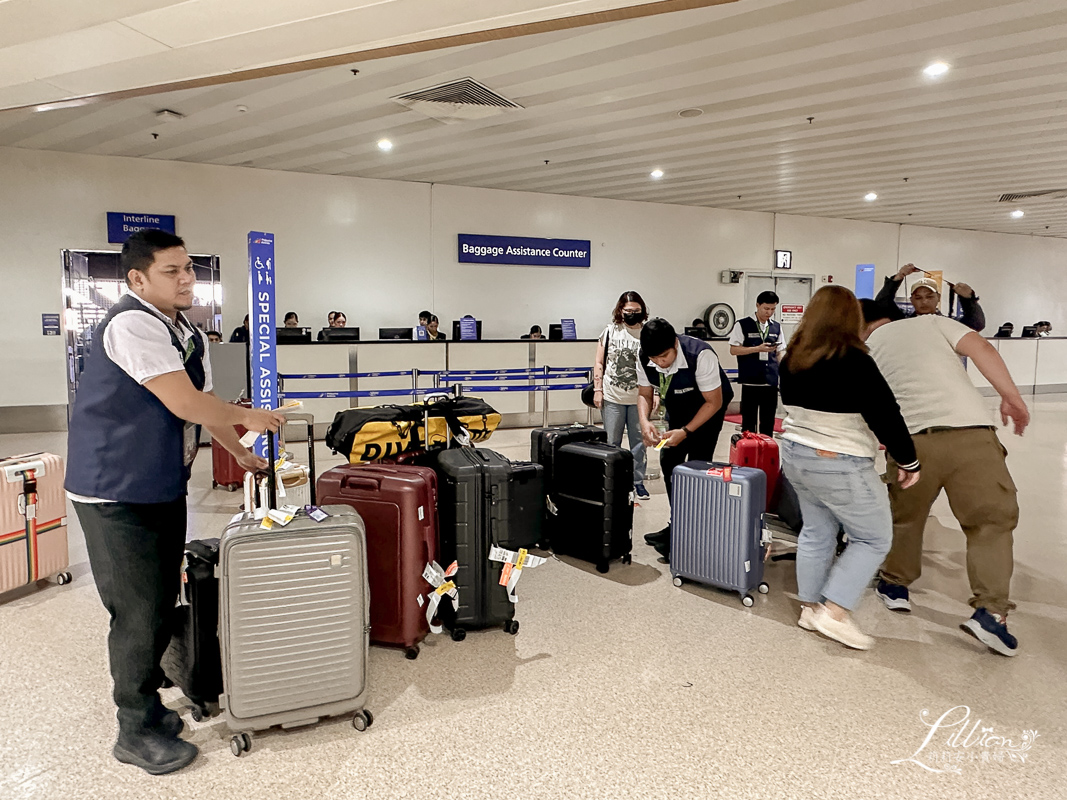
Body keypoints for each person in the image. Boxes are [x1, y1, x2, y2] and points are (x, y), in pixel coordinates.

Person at [64, 229, 286, 775]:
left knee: (162, 597)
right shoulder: (132, 323)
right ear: (138, 278)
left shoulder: (186, 330)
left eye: (190, 269)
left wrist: (243, 454)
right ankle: (134, 727)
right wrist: (251, 416)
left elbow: (202, 411)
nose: (186, 279)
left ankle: (153, 700)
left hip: (159, 481)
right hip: (114, 488)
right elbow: (183, 399)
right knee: (137, 611)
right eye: (172, 271)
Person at [861, 299, 1030, 656]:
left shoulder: (868, 346)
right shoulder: (933, 323)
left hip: (912, 442)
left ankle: (895, 587)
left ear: (864, 326)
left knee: (907, 517)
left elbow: (868, 402)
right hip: (972, 435)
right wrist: (1010, 396)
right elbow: (981, 347)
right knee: (991, 524)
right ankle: (991, 613)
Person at [779, 287, 921, 650]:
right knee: (873, 537)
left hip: (796, 454)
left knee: (816, 531)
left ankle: (810, 608)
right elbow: (885, 414)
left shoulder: (791, 357)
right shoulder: (855, 360)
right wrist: (908, 460)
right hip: (839, 460)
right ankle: (835, 611)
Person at [637, 318, 734, 561]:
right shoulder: (644, 357)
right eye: (654, 358)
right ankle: (678, 524)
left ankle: (696, 533)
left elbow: (715, 402)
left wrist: (686, 432)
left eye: (664, 357)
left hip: (708, 412)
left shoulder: (700, 355)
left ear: (675, 344)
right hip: (678, 411)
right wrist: (644, 421)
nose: (659, 362)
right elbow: (644, 393)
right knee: (669, 463)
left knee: (697, 468)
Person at [592, 291, 652, 499]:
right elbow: (599, 362)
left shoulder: (647, 334)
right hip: (612, 397)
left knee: (639, 443)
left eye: (636, 311)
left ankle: (637, 482)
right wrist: (598, 389)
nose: (632, 314)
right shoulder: (610, 332)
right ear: (620, 310)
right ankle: (611, 480)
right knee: (611, 442)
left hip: (640, 399)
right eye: (628, 311)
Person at [729, 291, 787, 436]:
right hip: (751, 381)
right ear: (757, 305)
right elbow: (734, 350)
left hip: (770, 382)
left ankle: (766, 451)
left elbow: (780, 352)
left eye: (773, 309)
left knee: (768, 422)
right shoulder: (743, 325)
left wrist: (785, 371)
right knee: (749, 422)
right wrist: (757, 349)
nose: (769, 312)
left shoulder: (776, 327)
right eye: (766, 309)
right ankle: (748, 452)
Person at [875, 264, 985, 332]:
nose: (924, 301)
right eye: (918, 298)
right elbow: (881, 305)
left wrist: (968, 299)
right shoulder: (902, 321)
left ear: (938, 297)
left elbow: (976, 324)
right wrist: (897, 278)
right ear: (911, 300)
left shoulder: (949, 324)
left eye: (929, 296)